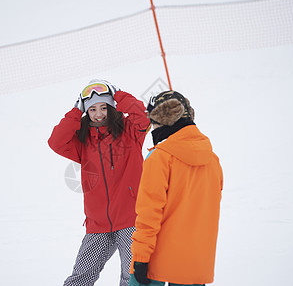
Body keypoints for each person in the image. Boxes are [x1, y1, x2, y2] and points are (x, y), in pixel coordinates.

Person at [48, 79, 150, 286]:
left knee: (130, 277)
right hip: (97, 223)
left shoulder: (131, 133)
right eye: (92, 109)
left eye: (104, 107)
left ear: (112, 108)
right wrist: (76, 112)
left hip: (131, 220)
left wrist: (119, 94)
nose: (99, 114)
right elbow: (56, 142)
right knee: (80, 277)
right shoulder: (82, 142)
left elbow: (143, 117)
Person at [129, 90, 223, 286]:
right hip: (195, 265)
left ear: (164, 121)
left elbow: (148, 215)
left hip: (155, 264)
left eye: (153, 123)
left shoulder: (159, 158)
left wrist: (140, 257)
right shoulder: (212, 160)